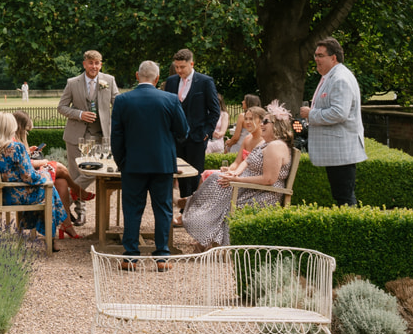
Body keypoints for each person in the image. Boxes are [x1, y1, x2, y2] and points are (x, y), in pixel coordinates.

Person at [180, 104, 294, 250]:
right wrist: (235, 173)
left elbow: (269, 180)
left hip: (264, 193)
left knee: (221, 198)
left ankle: (194, 209)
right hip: (250, 188)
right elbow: (246, 161)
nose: (262, 125)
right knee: (217, 179)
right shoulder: (266, 144)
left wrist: (238, 180)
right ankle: (196, 210)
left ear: (277, 125)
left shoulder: (275, 146)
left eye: (265, 122)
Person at [109, 60, 188, 265]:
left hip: (133, 164)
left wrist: (121, 161)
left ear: (137, 76)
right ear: (156, 78)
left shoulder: (122, 100)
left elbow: (116, 136)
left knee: (132, 208)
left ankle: (131, 256)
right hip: (162, 163)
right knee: (162, 208)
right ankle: (162, 256)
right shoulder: (170, 99)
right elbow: (183, 130)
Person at [0, 112, 79, 242]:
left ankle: (64, 226)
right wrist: (45, 176)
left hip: (0, 193)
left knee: (59, 182)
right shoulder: (16, 147)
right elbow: (29, 177)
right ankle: (52, 238)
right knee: (49, 189)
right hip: (16, 195)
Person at [299, 37, 365, 206]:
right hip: (338, 152)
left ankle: (350, 230)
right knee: (342, 196)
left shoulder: (340, 79)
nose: (316, 59)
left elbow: (338, 113)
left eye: (320, 55)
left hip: (341, 152)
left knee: (344, 198)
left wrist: (310, 114)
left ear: (333, 58)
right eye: (315, 55)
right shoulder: (332, 76)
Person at [57, 50, 118, 207]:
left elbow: (118, 104)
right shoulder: (72, 83)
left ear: (101, 64)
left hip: (99, 136)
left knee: (95, 169)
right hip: (75, 136)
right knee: (75, 175)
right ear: (84, 64)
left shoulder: (109, 81)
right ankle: (79, 212)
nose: (94, 66)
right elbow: (62, 107)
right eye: (91, 63)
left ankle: (62, 204)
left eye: (97, 63)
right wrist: (79, 114)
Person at [163, 48, 220, 203]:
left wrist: (207, 132)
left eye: (182, 67)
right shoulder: (171, 82)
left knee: (195, 174)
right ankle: (183, 207)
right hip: (176, 137)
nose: (179, 70)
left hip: (197, 136)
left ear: (192, 64)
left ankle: (194, 209)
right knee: (180, 174)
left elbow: (215, 111)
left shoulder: (205, 82)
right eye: (177, 67)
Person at [13, 111, 85, 226]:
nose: (26, 133)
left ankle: (67, 225)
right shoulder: (13, 142)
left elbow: (21, 160)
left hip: (24, 177)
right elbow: (26, 163)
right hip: (25, 183)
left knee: (62, 182)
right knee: (59, 167)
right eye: (26, 130)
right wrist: (43, 161)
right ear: (19, 127)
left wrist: (29, 151)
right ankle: (78, 190)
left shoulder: (12, 140)